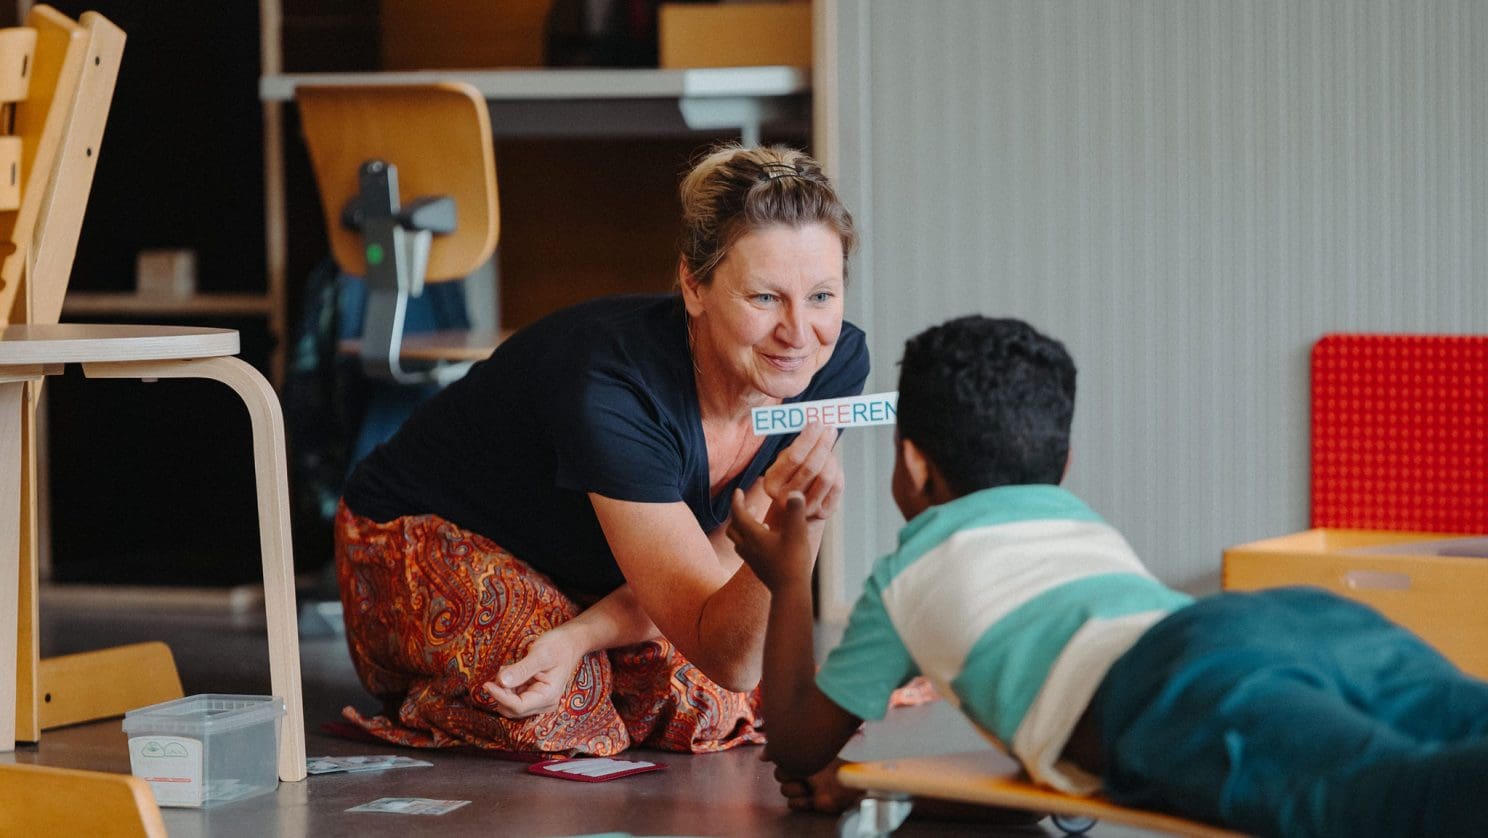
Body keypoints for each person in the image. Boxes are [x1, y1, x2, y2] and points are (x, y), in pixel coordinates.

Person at [727, 315, 1488, 837]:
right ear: (1062, 462)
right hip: (1289, 618)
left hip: (1176, 681)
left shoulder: (908, 572)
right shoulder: (1074, 518)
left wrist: (791, 578)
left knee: (1393, 798)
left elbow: (795, 741)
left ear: (914, 464)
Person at [333, 143, 867, 757]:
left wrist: (585, 632)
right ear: (694, 286)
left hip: (597, 567)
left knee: (708, 703)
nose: (798, 334)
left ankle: (577, 635)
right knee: (549, 707)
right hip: (416, 529)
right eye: (765, 298)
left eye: (822, 296)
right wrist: (804, 519)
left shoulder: (829, 365)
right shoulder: (611, 388)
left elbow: (724, 609)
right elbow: (727, 645)